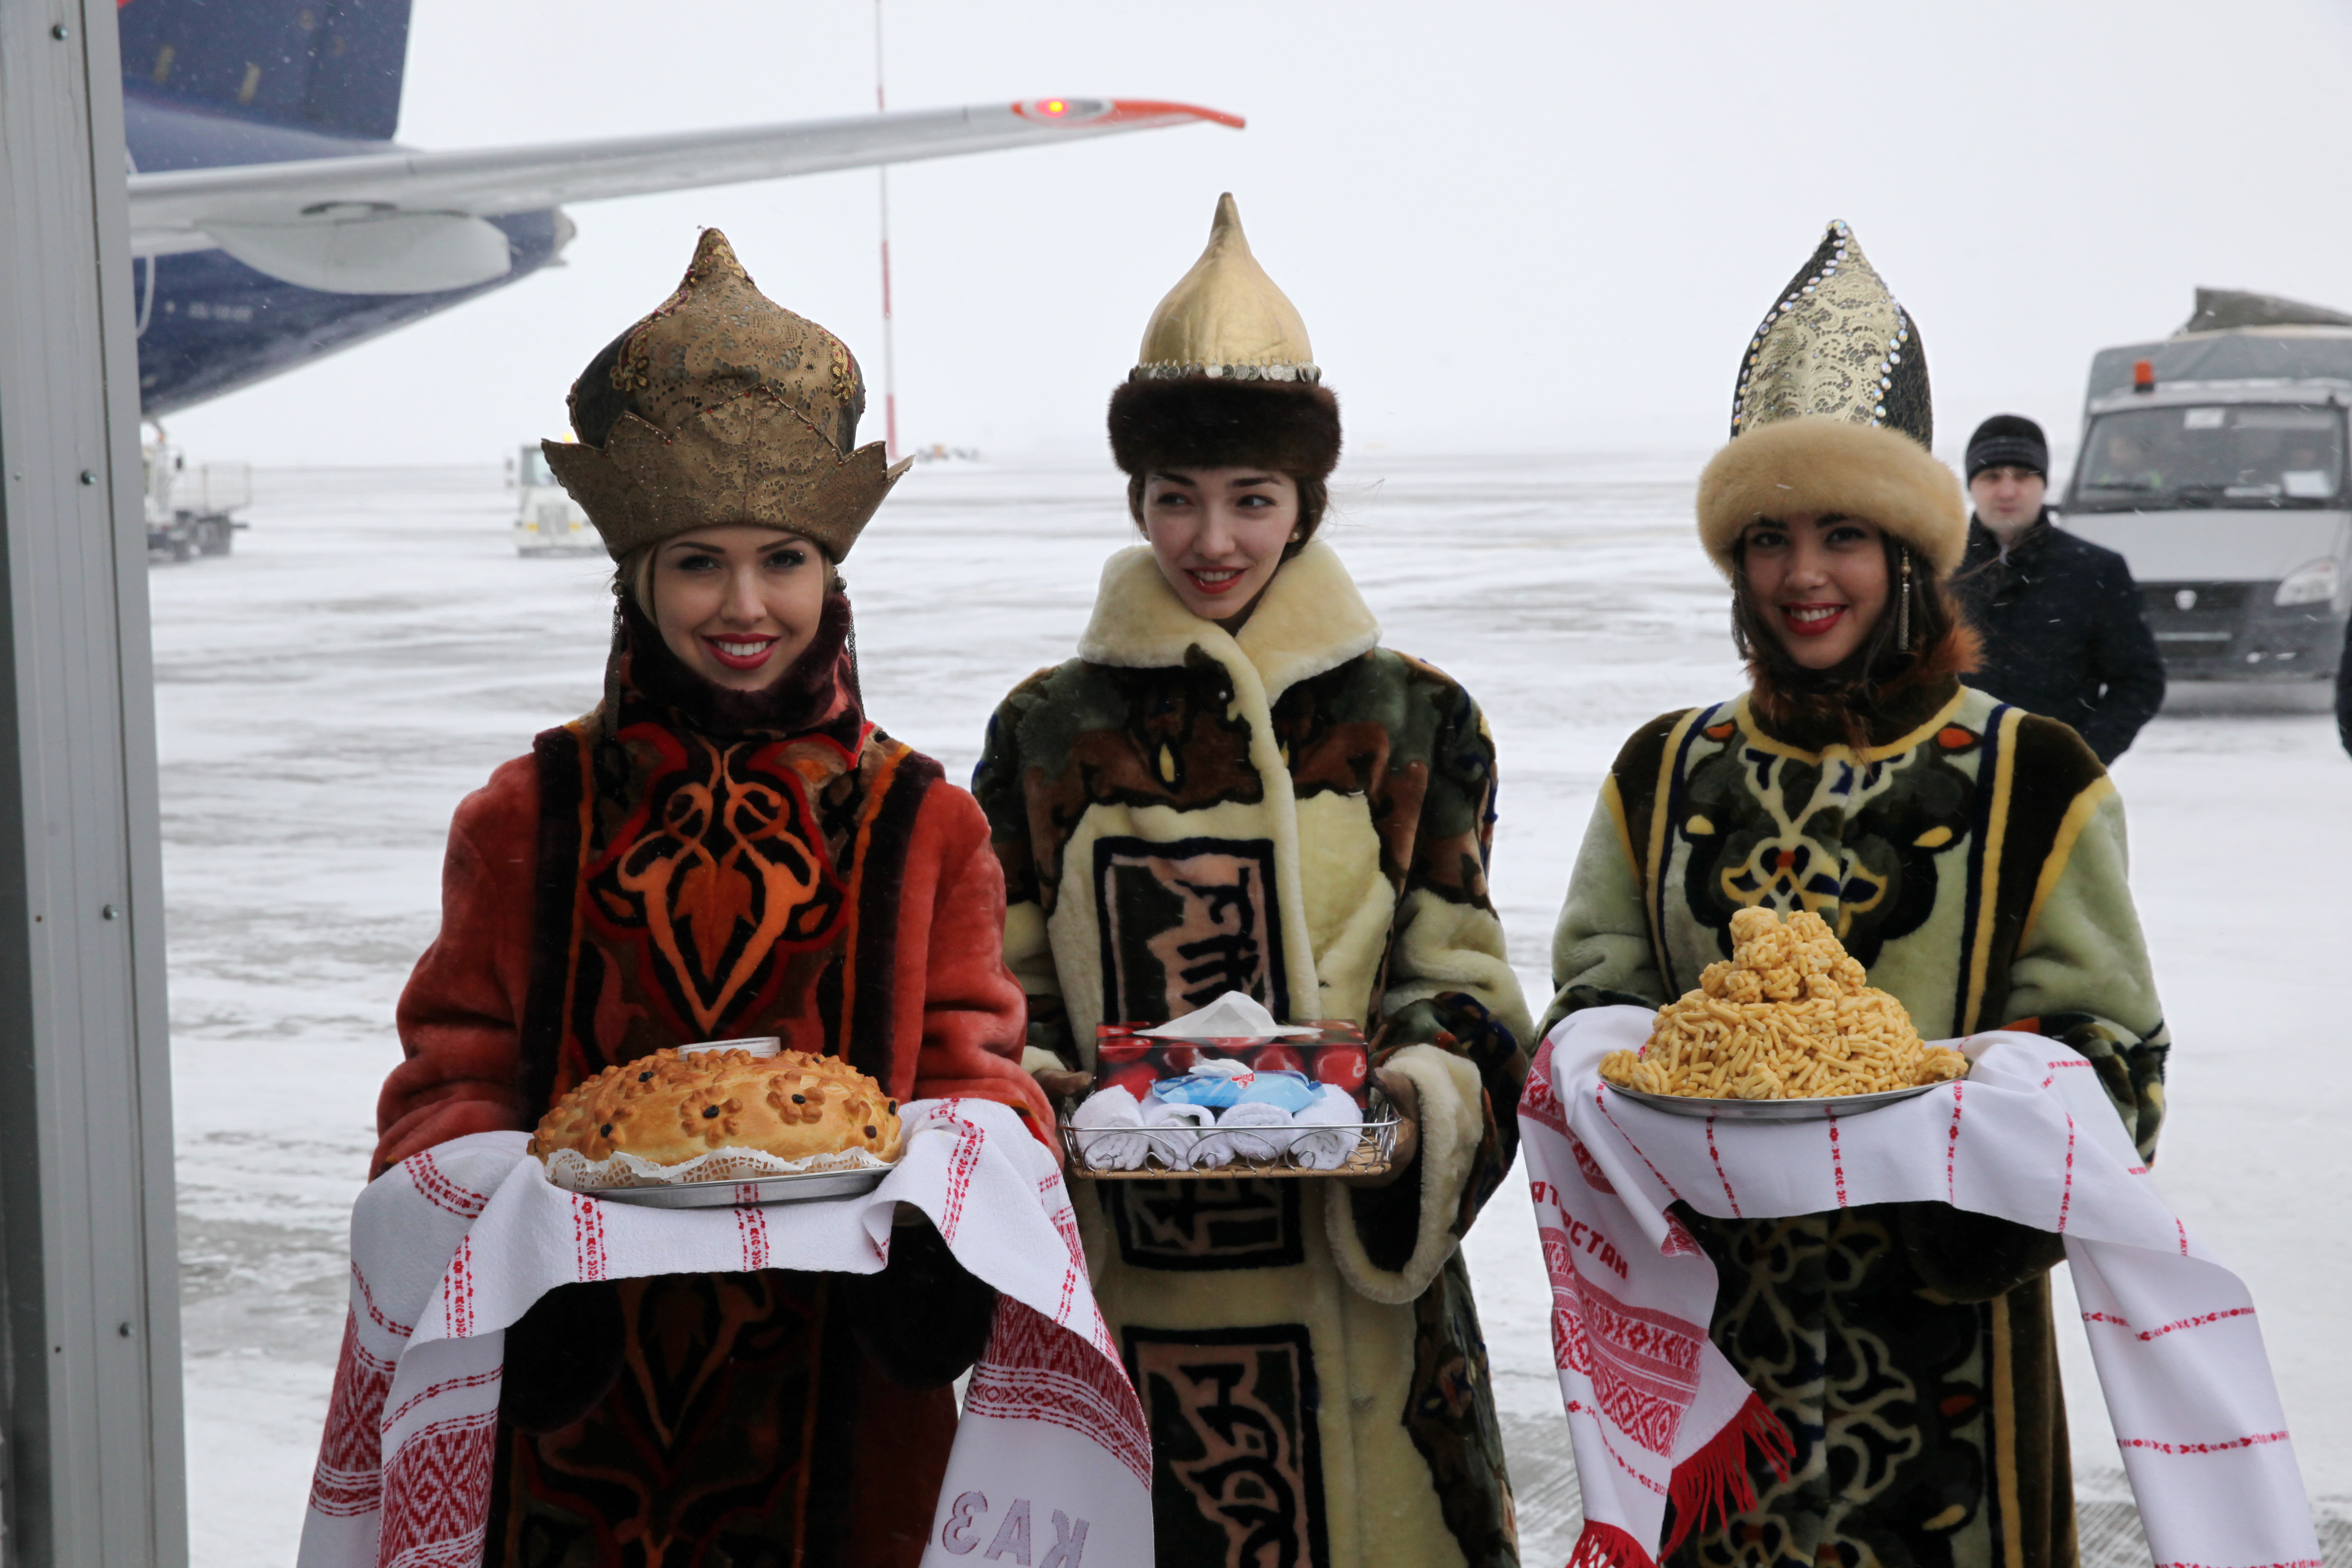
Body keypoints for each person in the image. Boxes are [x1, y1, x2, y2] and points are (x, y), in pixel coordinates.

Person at [373, 231, 1052, 1568]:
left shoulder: (925, 822)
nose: (745, 606)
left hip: (847, 1413)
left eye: (783, 559)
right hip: (572, 1421)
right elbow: (447, 1088)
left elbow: (978, 1079)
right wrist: (513, 1270)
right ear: (636, 575)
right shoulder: (525, 816)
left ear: (831, 574)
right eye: (698, 562)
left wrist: (942, 1246)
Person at [1540, 223, 2170, 1566]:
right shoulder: (1665, 771)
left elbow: (2118, 1059)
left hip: (1947, 1365)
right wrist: (1610, 1074)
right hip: (1717, 1356)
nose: (1803, 576)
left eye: (1843, 535)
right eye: (1768, 538)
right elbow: (1596, 1002)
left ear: (1912, 551)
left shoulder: (2033, 775)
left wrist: (1971, 1165)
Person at [972, 194, 1534, 1568]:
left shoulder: (1413, 720)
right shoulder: (1046, 729)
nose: (1210, 538)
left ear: (1304, 504)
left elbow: (1463, 991)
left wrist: (1405, 1105)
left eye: (1251, 499)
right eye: (1176, 497)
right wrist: (1051, 1098)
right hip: (1132, 1300)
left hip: (1361, 1317)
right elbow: (995, 994)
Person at [1951, 414, 2166, 763]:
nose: (2007, 491)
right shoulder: (1932, 568)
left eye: (2023, 476)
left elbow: (2139, 681)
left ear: (2044, 483)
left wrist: (2081, 758)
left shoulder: (2095, 570)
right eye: (1992, 476)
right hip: (1947, 778)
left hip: (2053, 780)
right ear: (1971, 485)